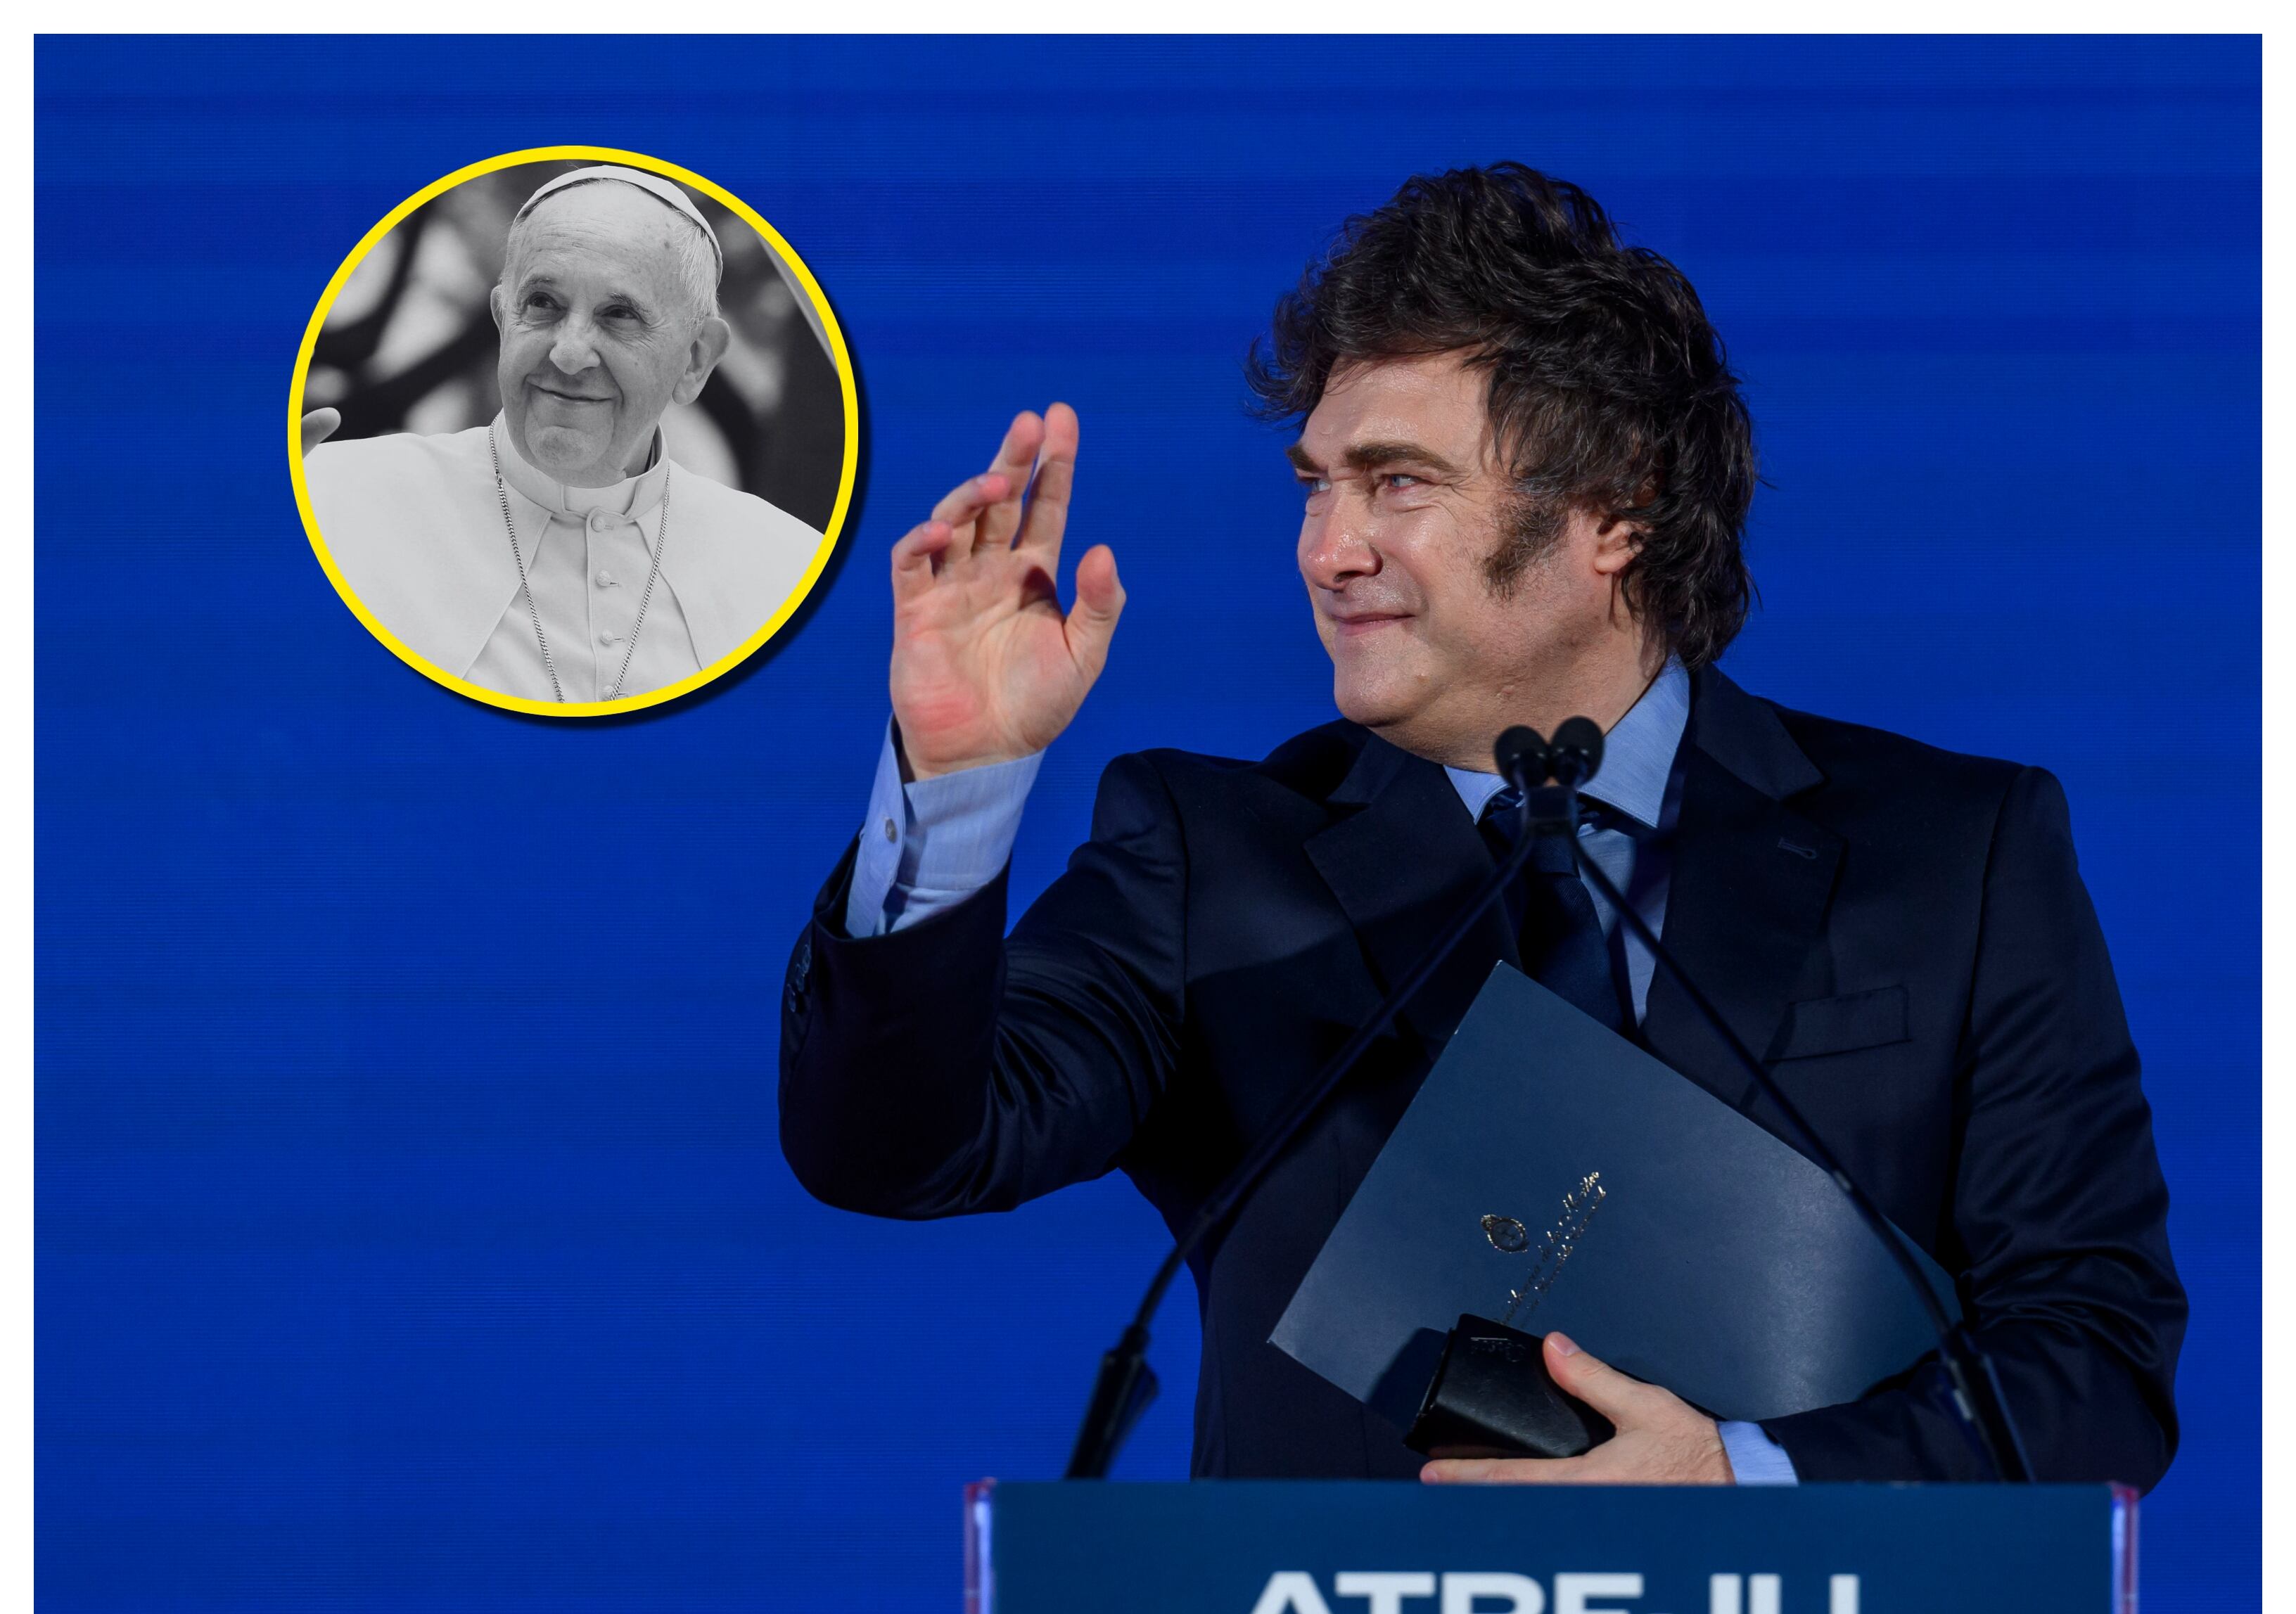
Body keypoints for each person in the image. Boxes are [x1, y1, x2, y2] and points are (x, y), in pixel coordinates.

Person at [777, 165, 2186, 1487]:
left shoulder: (1956, 852)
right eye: (1316, 484)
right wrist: (952, 780)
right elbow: (896, 1147)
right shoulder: (1212, 858)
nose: (1328, 549)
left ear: (1616, 505)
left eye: (1398, 481)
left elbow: (2093, 1362)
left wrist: (1753, 1482)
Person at [302, 166, 822, 705]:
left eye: (619, 314)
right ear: (504, 319)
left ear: (695, 360)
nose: (569, 353)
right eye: (543, 304)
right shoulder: (331, 497)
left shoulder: (790, 567)